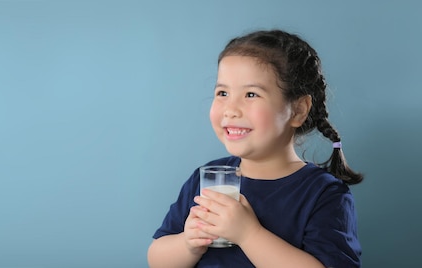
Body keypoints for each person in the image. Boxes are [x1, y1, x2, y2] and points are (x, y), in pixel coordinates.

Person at [147, 29, 363, 268]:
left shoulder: (323, 194)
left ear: (299, 110)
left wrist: (249, 234)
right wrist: (188, 244)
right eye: (222, 93)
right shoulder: (207, 178)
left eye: (251, 94)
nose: (231, 109)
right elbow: (157, 259)